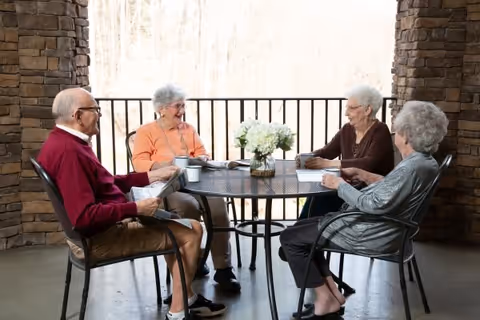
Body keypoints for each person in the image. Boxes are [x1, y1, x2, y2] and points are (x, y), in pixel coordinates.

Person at [37, 88, 227, 320]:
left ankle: (187, 298)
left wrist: (151, 177)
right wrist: (135, 209)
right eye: (95, 110)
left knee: (174, 222)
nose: (99, 114)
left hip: (103, 228)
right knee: (192, 230)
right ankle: (178, 312)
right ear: (78, 116)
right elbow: (84, 218)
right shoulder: (70, 153)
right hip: (100, 240)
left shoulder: (63, 142)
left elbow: (107, 181)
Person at [280, 100, 448, 319]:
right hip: (385, 229)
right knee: (302, 231)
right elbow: (393, 188)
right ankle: (332, 296)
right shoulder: (424, 163)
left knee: (290, 239)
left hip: (370, 232)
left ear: (406, 136)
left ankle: (325, 299)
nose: (394, 135)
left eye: (397, 131)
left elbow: (373, 205)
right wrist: (362, 174)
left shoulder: (413, 167)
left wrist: (338, 185)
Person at [132, 84, 240, 292]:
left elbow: (202, 152)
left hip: (196, 181)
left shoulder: (188, 128)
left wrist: (200, 158)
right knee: (187, 208)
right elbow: (140, 164)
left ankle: (223, 268)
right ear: (161, 109)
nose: (182, 111)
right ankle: (196, 259)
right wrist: (166, 165)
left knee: (217, 208)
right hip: (167, 186)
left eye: (183, 106)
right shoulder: (146, 132)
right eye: (177, 107)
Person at [297, 85, 395, 219]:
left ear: (367, 110)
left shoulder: (381, 131)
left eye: (352, 108)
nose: (346, 113)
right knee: (319, 193)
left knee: (321, 196)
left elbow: (367, 164)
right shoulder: (347, 130)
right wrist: (307, 156)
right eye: (346, 107)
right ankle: (304, 230)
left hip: (368, 194)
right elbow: (328, 151)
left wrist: (327, 164)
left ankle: (305, 231)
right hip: (347, 188)